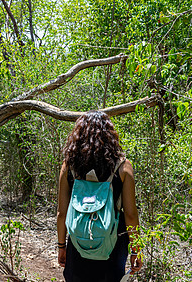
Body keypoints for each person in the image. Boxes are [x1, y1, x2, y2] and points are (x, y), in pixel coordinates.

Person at [56, 111, 143, 282]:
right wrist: (135, 250)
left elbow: (62, 213)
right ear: (110, 135)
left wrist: (61, 247)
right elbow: (131, 215)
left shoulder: (69, 166)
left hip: (77, 243)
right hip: (113, 245)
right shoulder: (123, 167)